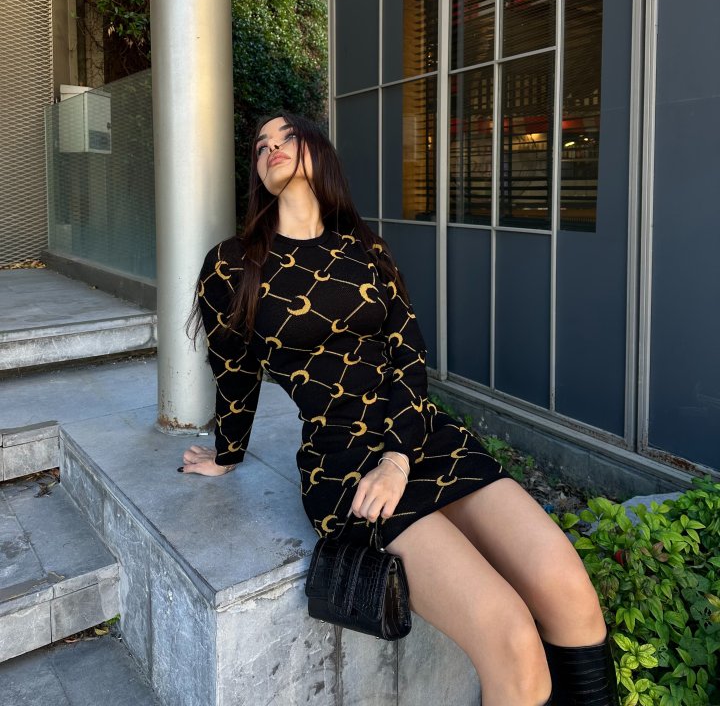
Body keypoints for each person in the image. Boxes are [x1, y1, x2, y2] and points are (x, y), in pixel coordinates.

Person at [182, 112, 619, 706]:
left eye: (287, 137)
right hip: (344, 462)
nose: (272, 148)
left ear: (319, 151)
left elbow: (409, 356)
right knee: (512, 637)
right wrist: (227, 453)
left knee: (570, 591)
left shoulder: (367, 250)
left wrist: (398, 456)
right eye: (261, 146)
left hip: (421, 438)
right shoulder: (233, 264)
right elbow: (233, 371)